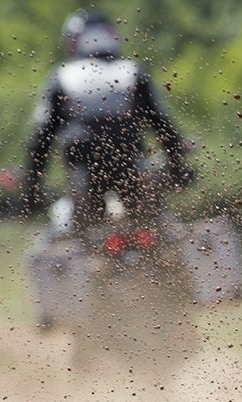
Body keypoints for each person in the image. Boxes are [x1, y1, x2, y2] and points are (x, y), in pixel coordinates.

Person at [21, 10, 193, 234]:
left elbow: (40, 140)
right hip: (134, 178)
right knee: (162, 227)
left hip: (83, 187)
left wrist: (31, 191)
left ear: (73, 41)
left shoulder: (61, 77)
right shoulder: (133, 72)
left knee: (64, 234)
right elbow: (163, 127)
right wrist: (178, 169)